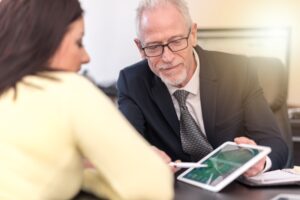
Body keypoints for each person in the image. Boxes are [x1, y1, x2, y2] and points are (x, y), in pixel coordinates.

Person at [0, 0, 174, 199]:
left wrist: (78, 170)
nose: (86, 57)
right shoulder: (68, 89)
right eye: (78, 42)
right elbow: (154, 186)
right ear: (46, 41)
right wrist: (87, 177)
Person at [117, 0, 288, 177]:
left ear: (193, 34)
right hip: (177, 191)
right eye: (153, 46)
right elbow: (124, 146)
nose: (167, 57)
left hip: (234, 188)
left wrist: (260, 162)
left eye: (176, 41)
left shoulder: (238, 71)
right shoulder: (132, 83)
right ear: (140, 47)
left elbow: (275, 143)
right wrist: (141, 156)